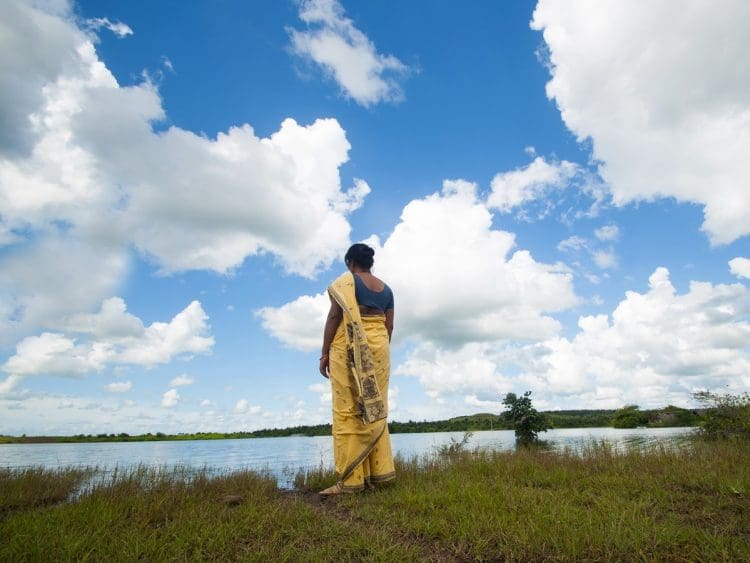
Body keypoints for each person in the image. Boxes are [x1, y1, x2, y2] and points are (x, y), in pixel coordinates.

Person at [318, 243, 395, 496]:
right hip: (380, 348)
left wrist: (325, 353)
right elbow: (389, 327)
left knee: (348, 410)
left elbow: (334, 318)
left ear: (350, 262)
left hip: (350, 348)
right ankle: (375, 476)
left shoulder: (346, 283)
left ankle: (350, 481)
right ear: (369, 262)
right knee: (374, 407)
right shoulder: (388, 290)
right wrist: (376, 352)